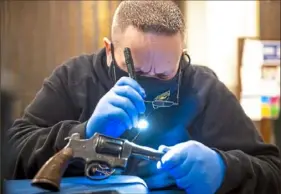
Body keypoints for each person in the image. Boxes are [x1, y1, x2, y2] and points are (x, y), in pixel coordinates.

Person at [7, 1, 281, 194]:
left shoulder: (203, 88)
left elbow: (273, 171)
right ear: (108, 49)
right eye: (136, 71)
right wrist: (85, 132)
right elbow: (10, 153)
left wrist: (223, 170)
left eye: (164, 75)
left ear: (182, 54)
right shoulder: (73, 78)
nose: (151, 83)